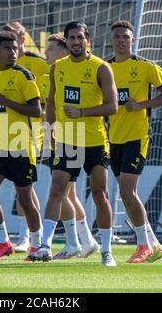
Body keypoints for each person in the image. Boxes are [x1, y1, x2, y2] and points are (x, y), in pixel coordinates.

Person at [29, 22, 118, 266]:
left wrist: (82, 112)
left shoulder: (101, 68)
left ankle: (106, 251)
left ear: (87, 39)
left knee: (100, 194)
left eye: (80, 37)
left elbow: (112, 106)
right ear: (66, 41)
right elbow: (50, 102)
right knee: (57, 189)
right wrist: (50, 130)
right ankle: (44, 245)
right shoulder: (58, 67)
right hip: (66, 141)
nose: (76, 42)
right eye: (71, 38)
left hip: (95, 142)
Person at [108, 20, 162, 263]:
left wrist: (142, 105)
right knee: (126, 195)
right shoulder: (104, 68)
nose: (121, 40)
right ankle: (153, 243)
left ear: (133, 39)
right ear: (111, 40)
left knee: (128, 191)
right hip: (113, 137)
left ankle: (143, 245)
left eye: (125, 36)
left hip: (137, 136)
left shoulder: (146, 67)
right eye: (117, 36)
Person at [0, 31, 43, 262]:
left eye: (15, 48)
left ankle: (37, 245)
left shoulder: (24, 75)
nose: (12, 53)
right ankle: (4, 242)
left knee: (25, 198)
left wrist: (5, 101)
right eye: (7, 49)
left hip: (21, 144)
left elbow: (37, 111)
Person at [39, 34, 99, 260]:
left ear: (64, 52)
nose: (46, 52)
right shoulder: (51, 74)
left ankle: (73, 241)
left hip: (70, 138)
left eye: (51, 48)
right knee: (67, 193)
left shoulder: (68, 73)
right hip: (58, 136)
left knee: (60, 191)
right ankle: (84, 240)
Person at [0, 21, 50, 253]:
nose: (13, 45)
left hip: (33, 131)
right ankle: (28, 237)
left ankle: (29, 238)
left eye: (17, 38)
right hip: (5, 135)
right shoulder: (0, 68)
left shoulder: (38, 65)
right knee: (22, 190)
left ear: (23, 40)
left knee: (27, 189)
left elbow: (43, 100)